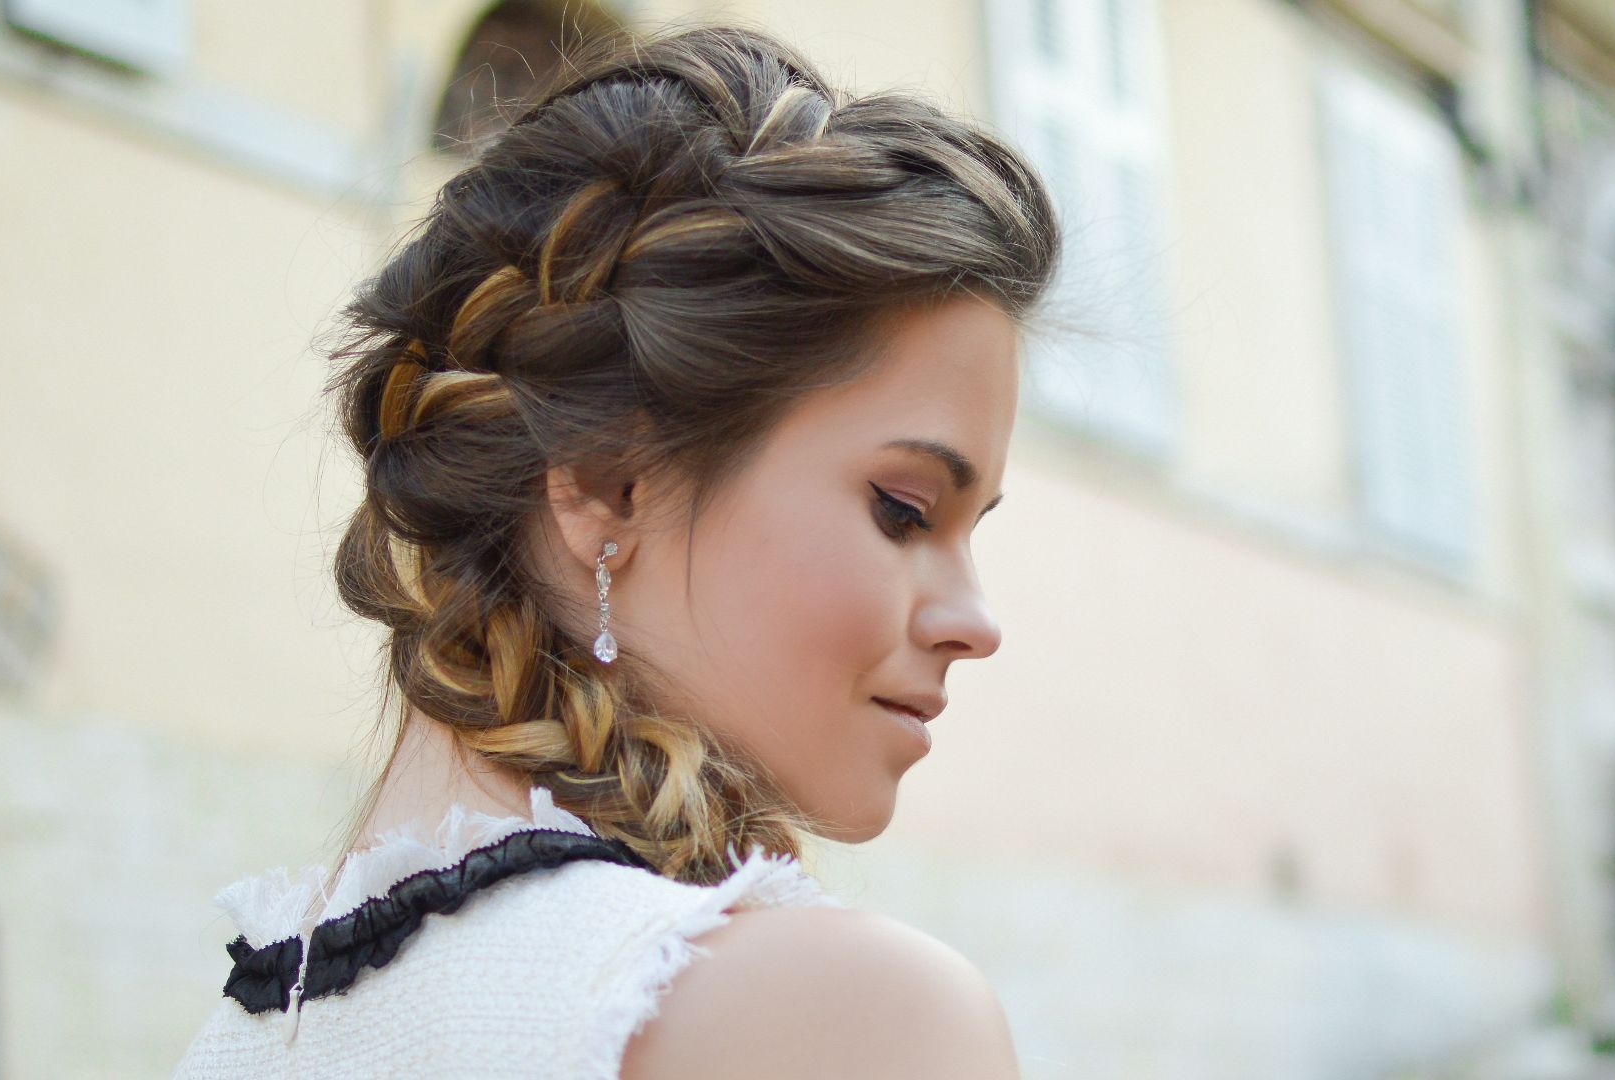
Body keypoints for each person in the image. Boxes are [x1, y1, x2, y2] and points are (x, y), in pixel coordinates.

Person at [172, 17, 1060, 1080]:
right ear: (603, 484)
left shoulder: (249, 1035)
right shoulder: (853, 1018)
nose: (976, 621)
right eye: (904, 511)